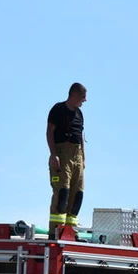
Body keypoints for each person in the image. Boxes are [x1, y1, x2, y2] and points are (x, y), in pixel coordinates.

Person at [46, 83, 87, 239]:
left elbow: (81, 135)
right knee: (62, 192)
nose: (85, 100)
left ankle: (71, 231)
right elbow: (50, 131)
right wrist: (53, 154)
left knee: (78, 194)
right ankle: (55, 231)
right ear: (75, 95)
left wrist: (83, 157)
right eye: (83, 97)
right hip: (62, 155)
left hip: (77, 156)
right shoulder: (58, 109)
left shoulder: (80, 113)